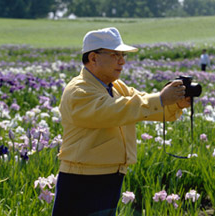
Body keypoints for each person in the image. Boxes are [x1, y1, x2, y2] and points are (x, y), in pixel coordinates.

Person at [52, 27, 190, 216]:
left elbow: (140, 106)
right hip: (82, 180)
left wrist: (175, 104)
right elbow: (113, 111)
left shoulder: (115, 86)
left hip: (108, 176)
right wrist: (159, 99)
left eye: (123, 55)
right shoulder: (79, 90)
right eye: (115, 55)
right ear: (93, 58)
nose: (122, 61)